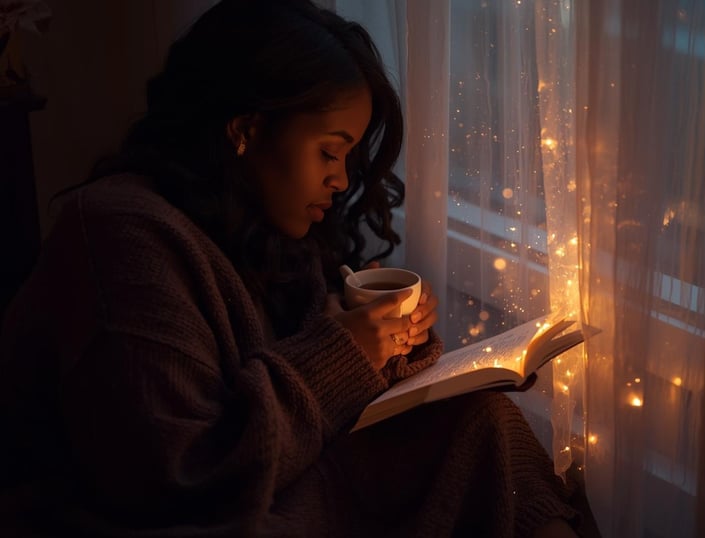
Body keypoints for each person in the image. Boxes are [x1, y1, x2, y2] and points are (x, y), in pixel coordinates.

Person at [0, 0, 582, 536]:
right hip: (177, 508)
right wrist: (346, 353)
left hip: (285, 472)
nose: (343, 180)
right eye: (330, 151)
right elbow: (180, 475)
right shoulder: (120, 235)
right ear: (247, 130)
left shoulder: (264, 225)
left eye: (350, 157)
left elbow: (316, 390)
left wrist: (389, 348)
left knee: (485, 422)